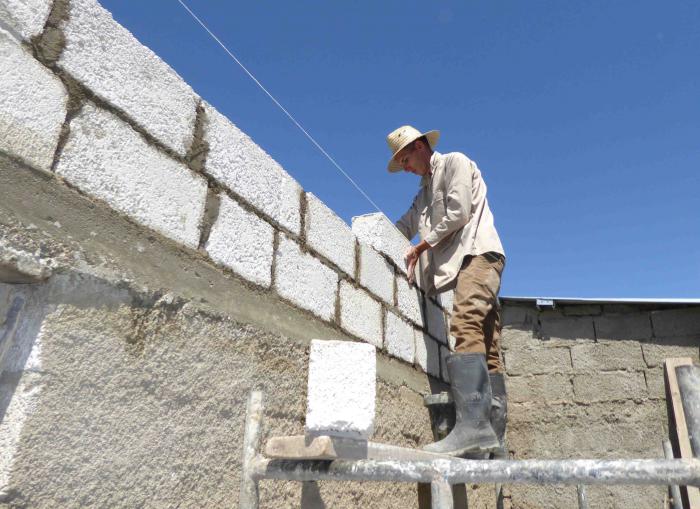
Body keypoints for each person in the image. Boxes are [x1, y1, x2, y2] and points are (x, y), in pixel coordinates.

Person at [387, 125, 507, 456]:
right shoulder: (421, 196)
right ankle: (494, 437)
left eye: (406, 159)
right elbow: (401, 227)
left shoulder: (455, 162)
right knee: (487, 344)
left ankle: (472, 428)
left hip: (479, 254)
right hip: (465, 264)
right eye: (401, 163)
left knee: (465, 323)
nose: (406, 168)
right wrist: (379, 239)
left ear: (421, 146)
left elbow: (459, 212)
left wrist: (420, 246)